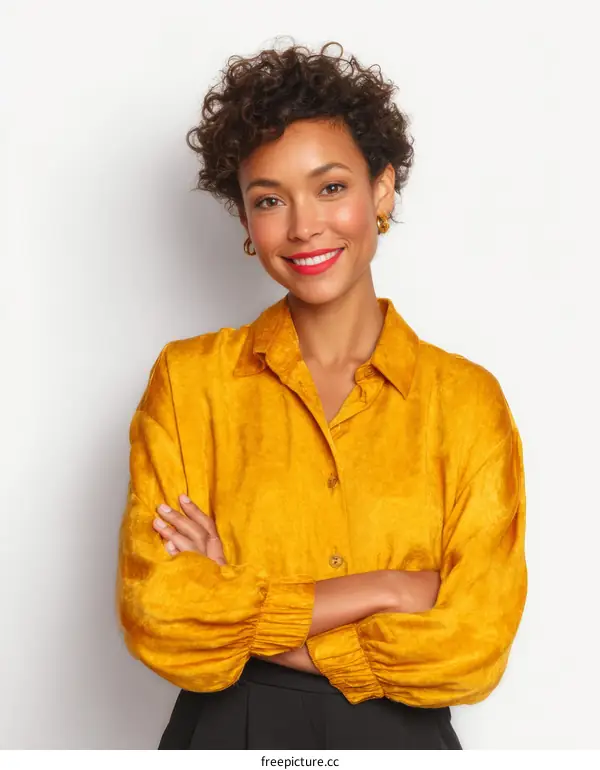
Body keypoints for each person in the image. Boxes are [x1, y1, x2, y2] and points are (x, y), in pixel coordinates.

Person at [116, 39, 527, 750]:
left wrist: (242, 603)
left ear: (383, 190)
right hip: (226, 735)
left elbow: (474, 645)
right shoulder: (190, 384)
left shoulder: (464, 403)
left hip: (401, 743)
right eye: (269, 199)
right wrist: (391, 589)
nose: (303, 225)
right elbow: (161, 614)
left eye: (330, 186)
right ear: (247, 223)